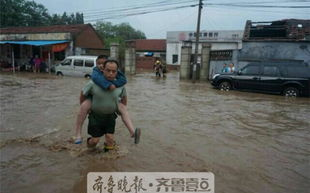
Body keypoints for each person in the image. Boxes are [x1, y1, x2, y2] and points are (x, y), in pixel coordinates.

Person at [74, 55, 140, 145]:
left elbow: (124, 98)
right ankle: (86, 143)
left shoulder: (119, 85)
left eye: (114, 71)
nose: (111, 74)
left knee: (110, 139)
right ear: (103, 70)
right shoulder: (93, 83)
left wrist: (121, 109)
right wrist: (85, 107)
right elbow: (83, 94)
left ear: (117, 72)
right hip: (96, 117)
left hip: (110, 116)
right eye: (108, 70)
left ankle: (131, 134)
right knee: (95, 141)